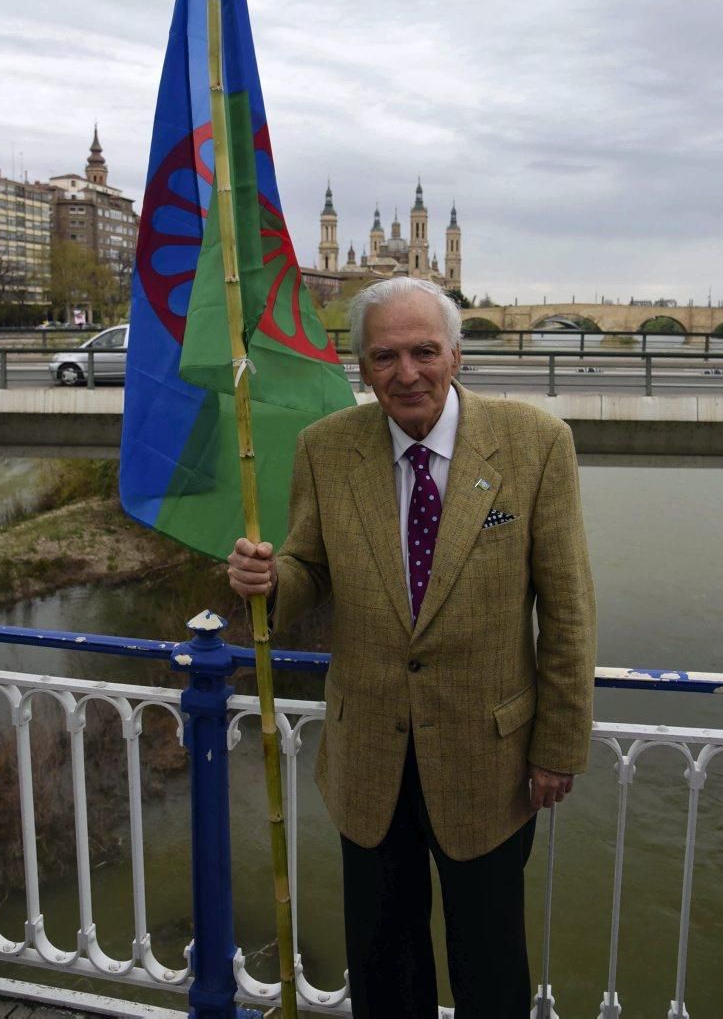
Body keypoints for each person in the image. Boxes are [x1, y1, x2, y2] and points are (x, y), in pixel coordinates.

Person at [228, 277, 596, 1019]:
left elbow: (568, 612)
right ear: (360, 368)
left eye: (424, 352)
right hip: (368, 762)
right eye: (385, 356)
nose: (407, 373)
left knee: (490, 967)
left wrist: (558, 745)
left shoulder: (535, 444)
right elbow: (310, 572)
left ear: (456, 355)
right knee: (383, 966)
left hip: (489, 765)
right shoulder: (325, 449)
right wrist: (267, 581)